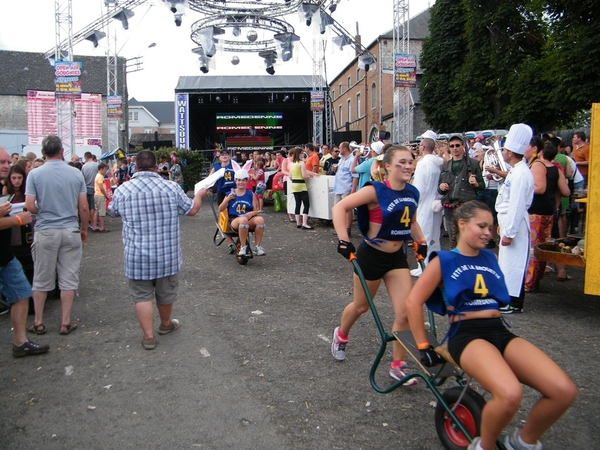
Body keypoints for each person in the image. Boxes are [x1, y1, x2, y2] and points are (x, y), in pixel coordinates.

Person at [405, 201, 577, 450]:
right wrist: (423, 346)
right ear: (462, 225)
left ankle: (522, 442)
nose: (488, 232)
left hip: (499, 331)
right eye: (482, 226)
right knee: (510, 394)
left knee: (563, 391)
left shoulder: (490, 257)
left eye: (491, 227)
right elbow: (413, 301)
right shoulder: (443, 260)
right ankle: (483, 446)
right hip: (466, 335)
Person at [331, 145, 427, 385]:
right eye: (401, 163)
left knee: (405, 310)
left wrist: (421, 240)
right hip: (371, 256)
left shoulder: (413, 192)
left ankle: (397, 365)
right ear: (387, 167)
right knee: (361, 307)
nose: (407, 166)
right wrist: (344, 240)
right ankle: (341, 334)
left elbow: (412, 221)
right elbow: (339, 207)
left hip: (397, 258)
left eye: (410, 162)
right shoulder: (375, 191)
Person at [109, 150, 209, 350]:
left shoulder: (123, 190)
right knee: (166, 293)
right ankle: (165, 324)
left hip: (136, 256)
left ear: (135, 168)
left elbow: (112, 211)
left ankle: (148, 336)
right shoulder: (171, 188)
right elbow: (192, 210)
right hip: (166, 254)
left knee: (142, 296)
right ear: (157, 167)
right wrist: (199, 195)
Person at [25, 135, 89, 336]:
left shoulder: (35, 174)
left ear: (43, 153)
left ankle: (38, 322)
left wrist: (43, 210)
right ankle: (65, 321)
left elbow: (29, 206)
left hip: (46, 230)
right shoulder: (75, 173)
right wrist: (84, 229)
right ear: (62, 151)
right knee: (68, 277)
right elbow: (84, 207)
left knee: (41, 277)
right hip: (70, 229)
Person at [0, 147, 50, 357]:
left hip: (5, 254)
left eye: (6, 162)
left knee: (22, 293)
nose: (6, 165)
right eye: (1, 163)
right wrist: (18, 219)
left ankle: (20, 342)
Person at [495, 124, 535, 314]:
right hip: (508, 221)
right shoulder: (516, 171)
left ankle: (513, 301)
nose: (502, 151)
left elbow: (516, 205)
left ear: (510, 152)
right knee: (507, 262)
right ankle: (507, 298)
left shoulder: (520, 174)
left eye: (503, 149)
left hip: (515, 224)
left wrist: (509, 231)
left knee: (514, 264)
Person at [525, 143, 569, 291]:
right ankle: (535, 280)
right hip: (549, 210)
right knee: (542, 247)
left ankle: (530, 282)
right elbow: (566, 191)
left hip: (536, 210)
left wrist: (523, 186)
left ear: (540, 152)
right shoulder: (556, 169)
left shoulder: (537, 165)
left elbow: (540, 188)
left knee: (533, 248)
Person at [438, 134, 485, 247]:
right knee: (452, 239)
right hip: (449, 206)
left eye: (457, 145)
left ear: (463, 146)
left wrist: (476, 183)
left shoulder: (473, 164)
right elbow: (439, 187)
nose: (455, 148)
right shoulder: (445, 165)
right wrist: (441, 187)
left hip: (466, 206)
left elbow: (482, 185)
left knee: (467, 239)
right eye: (452, 146)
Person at [410, 137, 443, 277]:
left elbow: (420, 187)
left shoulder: (424, 164)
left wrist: (413, 200)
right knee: (434, 234)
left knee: (423, 235)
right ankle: (434, 263)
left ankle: (423, 265)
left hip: (424, 204)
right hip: (435, 202)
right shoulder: (438, 163)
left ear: (422, 147)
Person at [219, 169, 266, 257]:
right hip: (235, 220)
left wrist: (252, 213)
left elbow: (256, 210)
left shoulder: (250, 194)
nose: (241, 182)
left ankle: (257, 246)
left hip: (248, 219)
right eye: (239, 180)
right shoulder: (230, 193)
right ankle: (243, 247)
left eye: (243, 180)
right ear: (235, 181)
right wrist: (227, 200)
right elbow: (220, 208)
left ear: (246, 181)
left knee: (260, 220)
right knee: (243, 220)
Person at [209, 149, 241, 253]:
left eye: (226, 154)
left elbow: (241, 175)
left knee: (237, 214)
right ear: (219, 157)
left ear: (230, 156)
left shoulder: (234, 165)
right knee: (224, 216)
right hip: (222, 193)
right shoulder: (216, 166)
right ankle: (230, 242)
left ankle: (240, 236)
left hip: (234, 192)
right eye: (222, 154)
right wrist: (205, 187)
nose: (224, 156)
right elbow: (209, 179)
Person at [332, 141, 359, 237]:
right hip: (339, 187)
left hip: (346, 187)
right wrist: (335, 170)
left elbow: (355, 176)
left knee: (347, 210)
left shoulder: (352, 160)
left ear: (344, 149)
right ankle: (341, 228)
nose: (338, 150)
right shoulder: (342, 159)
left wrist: (353, 191)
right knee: (337, 209)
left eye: (339, 148)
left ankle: (348, 229)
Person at [289, 146, 318, 230]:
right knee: (306, 204)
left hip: (294, 184)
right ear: (299, 154)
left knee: (297, 204)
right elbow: (304, 175)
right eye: (301, 153)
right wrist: (309, 176)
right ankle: (304, 223)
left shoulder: (292, 163)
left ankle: (298, 223)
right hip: (301, 184)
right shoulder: (301, 163)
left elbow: (290, 176)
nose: (303, 154)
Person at [81, 151, 98, 231]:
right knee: (93, 207)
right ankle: (92, 222)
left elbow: (82, 178)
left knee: (87, 206)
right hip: (95, 188)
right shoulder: (97, 165)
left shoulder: (84, 166)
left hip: (86, 188)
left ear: (86, 157)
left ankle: (87, 223)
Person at [91, 162, 110, 233]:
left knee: (96, 211)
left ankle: (94, 226)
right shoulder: (100, 176)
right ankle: (101, 227)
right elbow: (101, 187)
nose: (105, 171)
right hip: (100, 195)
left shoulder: (97, 175)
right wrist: (106, 195)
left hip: (97, 194)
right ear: (101, 169)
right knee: (101, 212)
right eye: (105, 169)